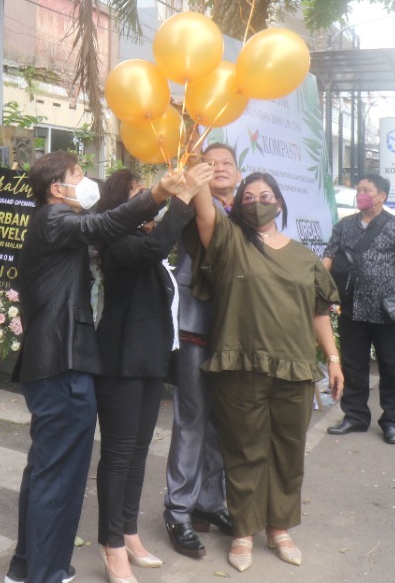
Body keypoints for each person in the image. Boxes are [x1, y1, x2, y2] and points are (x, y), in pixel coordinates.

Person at [4, 152, 192, 583]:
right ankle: (47, 574)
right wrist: (161, 193)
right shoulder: (53, 219)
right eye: (78, 175)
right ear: (57, 188)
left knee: (45, 471)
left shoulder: (52, 226)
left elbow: (107, 228)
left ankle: (27, 566)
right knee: (60, 478)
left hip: (54, 362)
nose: (87, 182)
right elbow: (104, 225)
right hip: (62, 362)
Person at [193, 171, 343, 573]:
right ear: (238, 205)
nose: (257, 201)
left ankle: (279, 528)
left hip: (294, 366)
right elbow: (205, 211)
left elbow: (318, 311)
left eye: (266, 195)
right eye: (248, 197)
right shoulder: (228, 241)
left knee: (288, 451)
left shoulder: (304, 256)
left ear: (279, 202)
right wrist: (205, 172)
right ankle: (243, 530)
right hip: (239, 364)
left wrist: (333, 358)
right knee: (244, 450)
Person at [93, 168, 207, 583]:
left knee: (139, 454)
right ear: (119, 204)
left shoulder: (144, 241)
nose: (150, 201)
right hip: (121, 363)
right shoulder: (117, 241)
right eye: (140, 195)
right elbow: (162, 239)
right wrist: (180, 198)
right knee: (119, 456)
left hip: (150, 361)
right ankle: (112, 546)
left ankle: (128, 532)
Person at [162, 142, 240, 558]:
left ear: (240, 174)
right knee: (191, 422)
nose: (219, 168)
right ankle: (177, 510)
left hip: (234, 335)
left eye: (227, 163)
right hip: (196, 328)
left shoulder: (249, 212)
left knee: (219, 425)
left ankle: (210, 502)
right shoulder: (197, 207)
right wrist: (195, 167)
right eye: (210, 164)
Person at [322, 173, 395, 445]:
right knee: (354, 366)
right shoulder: (344, 226)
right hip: (351, 307)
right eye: (358, 190)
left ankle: (391, 421)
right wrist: (317, 288)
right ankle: (355, 417)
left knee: (391, 368)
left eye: (366, 190)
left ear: (382, 197)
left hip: (387, 312)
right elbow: (328, 258)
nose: (360, 195)